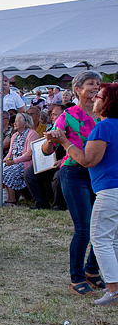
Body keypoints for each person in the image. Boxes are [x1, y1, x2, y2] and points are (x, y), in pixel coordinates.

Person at [51, 83, 118, 304]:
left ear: (107, 102)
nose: (95, 97)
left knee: (98, 237)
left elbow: (88, 161)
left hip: (108, 189)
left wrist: (65, 143)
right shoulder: (72, 116)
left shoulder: (104, 126)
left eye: (99, 95)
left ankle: (113, 289)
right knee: (113, 238)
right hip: (105, 185)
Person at [42, 71, 103, 295]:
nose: (96, 87)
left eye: (98, 84)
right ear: (77, 89)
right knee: (84, 229)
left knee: (103, 228)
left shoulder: (104, 115)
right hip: (74, 173)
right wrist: (51, 140)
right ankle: (76, 279)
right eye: (90, 84)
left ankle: (92, 271)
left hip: (99, 174)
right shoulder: (67, 116)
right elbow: (47, 150)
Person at [2, 112, 38, 204]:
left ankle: (12, 198)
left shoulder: (32, 134)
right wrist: (5, 161)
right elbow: (10, 152)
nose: (14, 123)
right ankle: (2, 197)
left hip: (25, 163)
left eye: (17, 121)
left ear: (25, 123)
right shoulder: (14, 135)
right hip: (14, 162)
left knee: (8, 171)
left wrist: (13, 162)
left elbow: (28, 155)